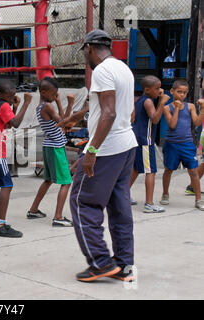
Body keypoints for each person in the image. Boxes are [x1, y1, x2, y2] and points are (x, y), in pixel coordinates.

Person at [69, 30, 138, 282]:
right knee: (119, 206)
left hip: (107, 149)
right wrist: (81, 120)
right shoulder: (123, 69)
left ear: (88, 48)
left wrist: (92, 151)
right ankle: (124, 265)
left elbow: (107, 113)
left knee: (82, 202)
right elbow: (125, 112)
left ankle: (100, 262)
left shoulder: (101, 71)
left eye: (84, 52)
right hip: (126, 144)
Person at [0, 80, 32, 238]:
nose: (12, 99)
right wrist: (26, 104)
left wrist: (14, 107)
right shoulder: (3, 106)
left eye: (13, 96)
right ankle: (1, 224)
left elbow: (6, 124)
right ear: (0, 95)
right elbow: (15, 123)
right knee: (7, 185)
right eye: (10, 96)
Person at [27, 77, 74, 227]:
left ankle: (33, 210)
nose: (55, 96)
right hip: (55, 148)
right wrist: (70, 104)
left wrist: (59, 102)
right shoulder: (47, 106)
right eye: (53, 94)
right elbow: (64, 122)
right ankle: (58, 217)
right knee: (66, 182)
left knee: (47, 180)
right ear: (43, 92)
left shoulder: (41, 106)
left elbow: (60, 120)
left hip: (49, 146)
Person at [160, 79, 204, 211]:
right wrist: (177, 109)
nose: (182, 95)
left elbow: (196, 123)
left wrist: (202, 109)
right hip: (172, 144)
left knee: (193, 171)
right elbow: (172, 125)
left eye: (184, 93)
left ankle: (198, 199)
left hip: (187, 144)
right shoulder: (167, 108)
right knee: (168, 170)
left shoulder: (190, 106)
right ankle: (165, 194)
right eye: (179, 92)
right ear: (172, 91)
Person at [129, 75, 170, 213]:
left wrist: (159, 99)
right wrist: (162, 102)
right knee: (150, 171)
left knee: (135, 169)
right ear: (147, 89)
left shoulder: (142, 99)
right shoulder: (148, 102)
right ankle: (149, 203)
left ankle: (122, 196)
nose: (160, 91)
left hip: (138, 138)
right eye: (157, 88)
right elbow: (155, 119)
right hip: (145, 140)